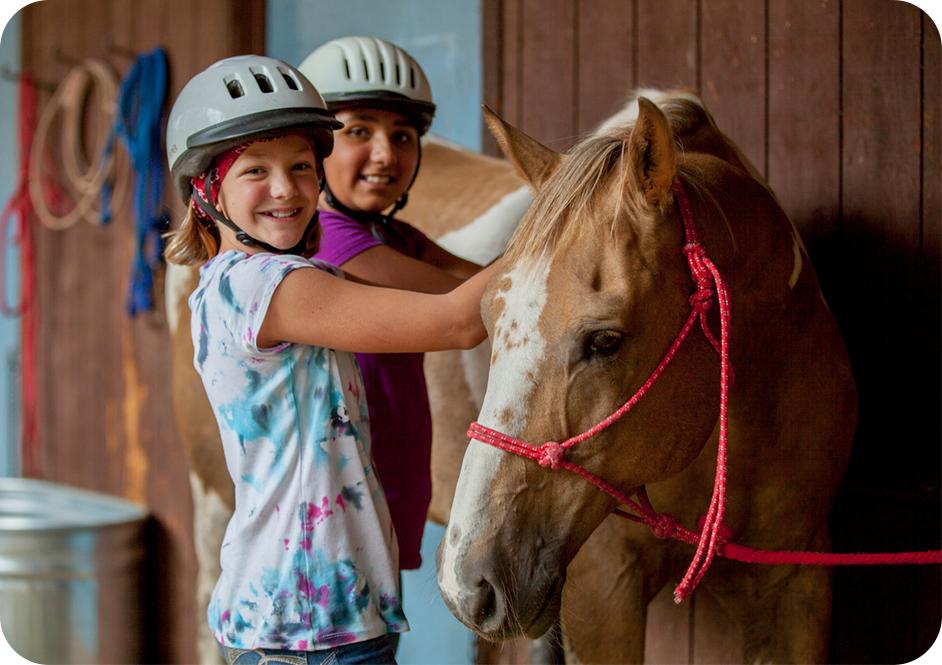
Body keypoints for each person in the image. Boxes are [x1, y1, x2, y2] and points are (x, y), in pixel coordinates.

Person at [163, 55, 499, 665]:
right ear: (206, 191)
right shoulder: (268, 286)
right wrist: (564, 228)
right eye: (255, 171)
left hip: (327, 616)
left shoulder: (252, 280)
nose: (286, 189)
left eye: (299, 166)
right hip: (305, 628)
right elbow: (457, 320)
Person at [297, 36, 480, 582]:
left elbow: (477, 271)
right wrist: (567, 227)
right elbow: (472, 299)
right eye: (359, 131)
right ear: (312, 145)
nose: (386, 154)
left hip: (387, 492)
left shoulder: (396, 235)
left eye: (402, 136)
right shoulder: (331, 240)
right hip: (339, 511)